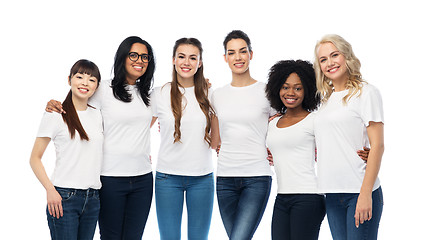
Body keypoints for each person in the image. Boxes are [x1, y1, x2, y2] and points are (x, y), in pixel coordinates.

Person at [46, 36, 156, 239]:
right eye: (133, 55)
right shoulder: (104, 89)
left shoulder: (150, 94)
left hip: (143, 180)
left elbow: (145, 123)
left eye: (144, 57)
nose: (139, 60)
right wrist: (54, 104)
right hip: (110, 178)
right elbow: (78, 103)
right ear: (122, 57)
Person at [313, 34, 384, 240]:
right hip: (332, 193)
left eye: (335, 55)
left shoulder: (366, 93)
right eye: (323, 59)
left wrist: (365, 193)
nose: (330, 63)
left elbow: (378, 145)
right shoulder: (324, 101)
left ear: (346, 56)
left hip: (359, 190)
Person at [211, 30, 273, 240]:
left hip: (256, 176)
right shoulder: (217, 95)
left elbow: (282, 126)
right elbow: (214, 137)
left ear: (251, 54)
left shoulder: (267, 92)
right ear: (225, 58)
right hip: (225, 178)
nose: (238, 57)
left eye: (243, 51)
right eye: (232, 52)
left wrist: (275, 150)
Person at [30, 59, 103, 240]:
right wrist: (50, 190)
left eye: (91, 79)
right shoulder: (55, 115)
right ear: (69, 80)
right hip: (64, 198)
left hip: (93, 198)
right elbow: (35, 158)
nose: (85, 83)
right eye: (79, 77)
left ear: (97, 86)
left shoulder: (98, 114)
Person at [151, 37, 215, 240]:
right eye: (181, 56)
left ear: (200, 63)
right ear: (173, 60)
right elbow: (139, 128)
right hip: (167, 178)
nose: (186, 62)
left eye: (192, 57)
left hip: (202, 178)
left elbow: (218, 138)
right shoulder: (158, 94)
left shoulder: (210, 93)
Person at [265, 60, 326, 240]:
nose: (290, 93)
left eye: (298, 88)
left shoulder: (315, 120)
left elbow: (334, 148)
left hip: (308, 197)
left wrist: (366, 152)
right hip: (282, 197)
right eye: (285, 87)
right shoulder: (273, 122)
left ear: (307, 90)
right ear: (277, 88)